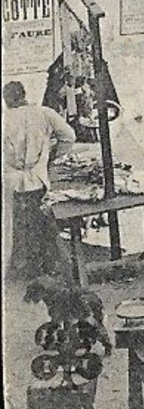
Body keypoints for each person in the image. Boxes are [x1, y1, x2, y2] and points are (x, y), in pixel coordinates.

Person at [3, 81, 75, 279]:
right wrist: (52, 157)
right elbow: (69, 136)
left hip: (11, 183)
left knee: (16, 226)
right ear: (24, 95)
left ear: (6, 100)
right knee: (43, 222)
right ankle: (50, 267)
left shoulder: (4, 118)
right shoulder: (44, 113)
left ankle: (22, 268)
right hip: (38, 178)